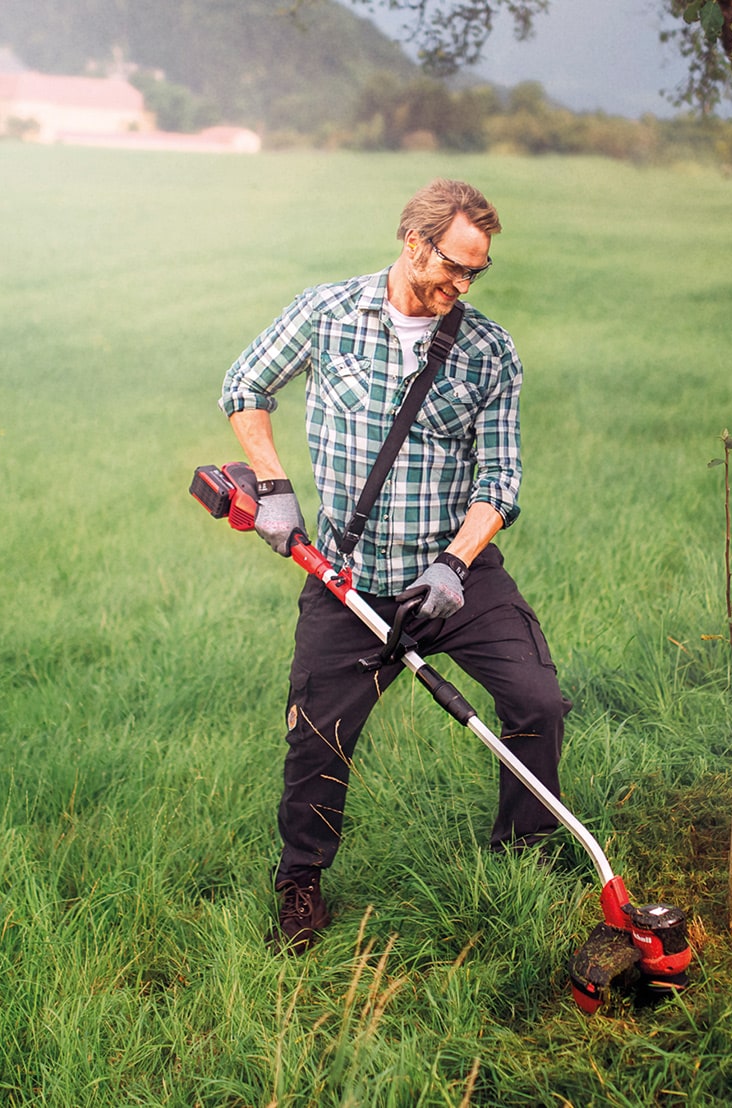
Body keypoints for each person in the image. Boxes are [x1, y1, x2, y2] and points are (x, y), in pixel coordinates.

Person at [219, 178, 571, 953]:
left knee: (538, 704)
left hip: (454, 577)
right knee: (318, 738)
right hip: (346, 578)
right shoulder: (328, 313)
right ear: (414, 242)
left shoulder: (488, 350)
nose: (463, 284)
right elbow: (244, 385)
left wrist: (453, 564)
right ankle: (300, 884)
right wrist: (273, 490)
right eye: (454, 265)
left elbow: (500, 479)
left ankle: (522, 855)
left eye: (477, 272)